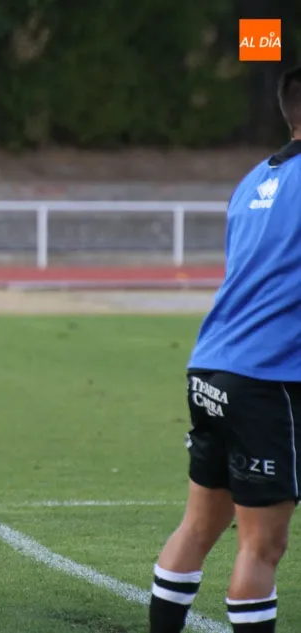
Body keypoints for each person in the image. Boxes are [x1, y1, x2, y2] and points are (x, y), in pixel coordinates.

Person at [148, 65, 301, 633]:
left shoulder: (254, 178)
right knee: (263, 546)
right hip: (267, 377)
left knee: (200, 524)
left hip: (213, 364)